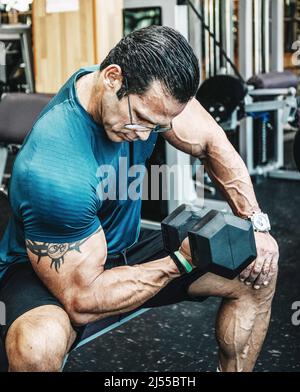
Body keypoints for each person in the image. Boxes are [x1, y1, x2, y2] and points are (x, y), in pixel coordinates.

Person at [0, 25, 278, 372]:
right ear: (112, 78)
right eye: (141, 121)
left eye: (158, 126)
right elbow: (83, 301)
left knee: (257, 270)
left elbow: (212, 141)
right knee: (36, 346)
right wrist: (183, 261)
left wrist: (256, 224)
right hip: (54, 273)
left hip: (125, 247)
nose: (145, 135)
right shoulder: (52, 168)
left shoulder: (149, 94)